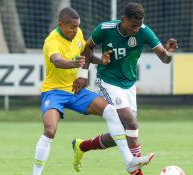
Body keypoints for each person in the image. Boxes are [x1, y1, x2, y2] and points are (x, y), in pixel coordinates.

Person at [32, 7, 154, 175]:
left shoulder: (79, 34)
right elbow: (58, 61)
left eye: (77, 26)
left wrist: (101, 60)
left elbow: (85, 53)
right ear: (61, 25)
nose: (75, 31)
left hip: (76, 90)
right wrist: (74, 64)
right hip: (54, 92)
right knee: (50, 131)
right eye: (71, 27)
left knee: (111, 112)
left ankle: (130, 162)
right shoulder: (51, 41)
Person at [72, 3, 178, 175]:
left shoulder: (144, 31)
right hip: (107, 81)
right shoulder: (105, 29)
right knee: (131, 122)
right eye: (132, 26)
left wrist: (170, 52)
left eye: (138, 26)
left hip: (129, 85)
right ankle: (134, 166)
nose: (136, 30)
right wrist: (82, 74)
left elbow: (164, 58)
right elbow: (88, 47)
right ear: (123, 20)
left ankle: (82, 146)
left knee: (124, 133)